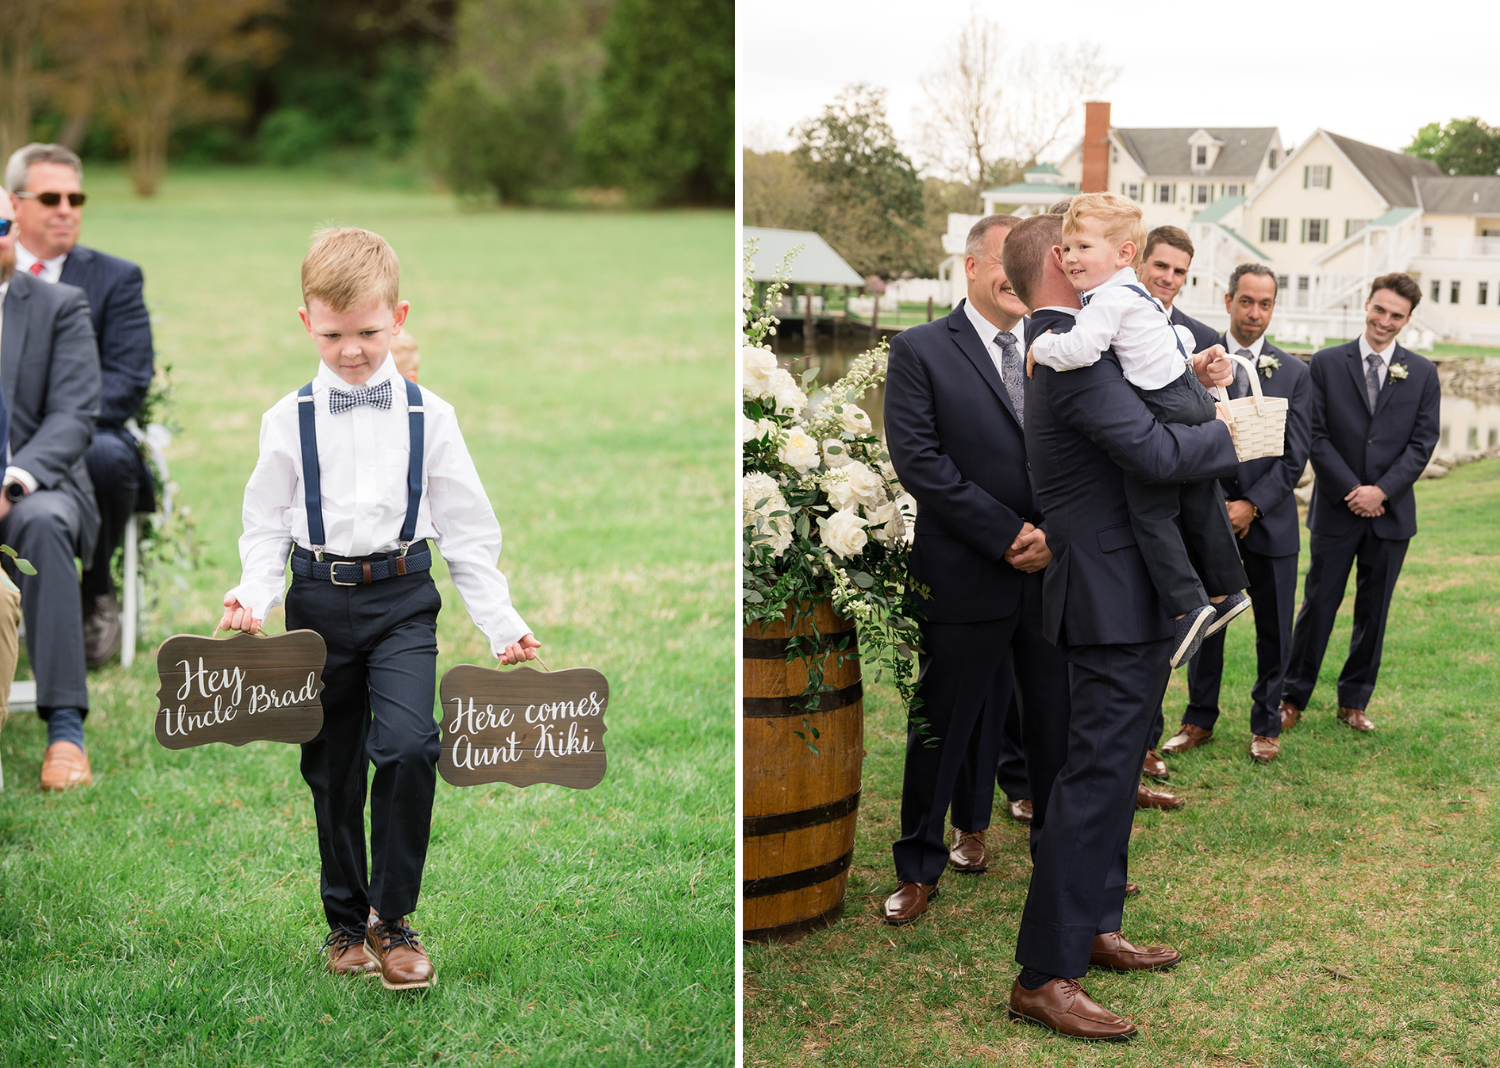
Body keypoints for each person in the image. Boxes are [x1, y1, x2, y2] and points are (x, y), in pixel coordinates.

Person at [218, 227, 541, 988]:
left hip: (402, 600)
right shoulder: (285, 419)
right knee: (331, 767)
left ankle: (392, 920)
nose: (352, 349)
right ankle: (343, 925)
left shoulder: (433, 416)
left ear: (398, 317)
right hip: (318, 600)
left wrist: (502, 622)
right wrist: (253, 593)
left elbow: (468, 529)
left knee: (407, 747)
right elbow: (265, 522)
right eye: (333, 335)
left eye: (368, 331)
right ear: (306, 324)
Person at [1001, 211, 1239, 1040]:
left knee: (1109, 774)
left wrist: (1199, 384)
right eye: (1076, 256)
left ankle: (1096, 926)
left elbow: (1159, 407)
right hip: (1104, 595)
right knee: (1093, 782)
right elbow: (1157, 453)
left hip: (1126, 591)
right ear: (1060, 273)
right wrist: (1233, 431)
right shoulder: (1068, 353)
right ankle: (1045, 974)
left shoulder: (1092, 341)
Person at [879, 214, 1070, 924]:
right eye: (1006, 262)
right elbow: (921, 462)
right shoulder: (921, 350)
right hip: (965, 570)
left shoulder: (1060, 347)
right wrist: (1006, 532)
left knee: (1056, 726)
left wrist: (1052, 533)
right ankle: (919, 866)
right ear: (970, 266)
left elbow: (1084, 456)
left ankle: (1061, 861)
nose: (1020, 278)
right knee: (942, 725)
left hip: (1051, 573)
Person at [1029, 193, 1249, 670]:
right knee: (1197, 495)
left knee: (1151, 509)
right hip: (1185, 389)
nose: (1071, 258)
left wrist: (1044, 346)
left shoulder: (1105, 301)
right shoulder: (1138, 295)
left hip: (1169, 400)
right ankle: (1227, 588)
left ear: (1124, 254)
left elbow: (1084, 348)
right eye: (1067, 249)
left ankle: (1188, 605)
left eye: (1083, 247)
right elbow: (1170, 343)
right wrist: (1198, 368)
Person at [6, 143, 155, 668]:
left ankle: (94, 587)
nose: (66, 208)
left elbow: (129, 380)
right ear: (15, 204)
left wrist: (51, 431)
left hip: (88, 433)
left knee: (106, 456)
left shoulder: (115, 278)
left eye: (76, 196)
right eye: (50, 196)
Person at [1160, 265, 1310, 765]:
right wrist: (1221, 508)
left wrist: (1252, 505)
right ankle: (1198, 718)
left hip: (1271, 524)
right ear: (1228, 301)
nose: (1255, 312)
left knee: (1275, 629)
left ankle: (1266, 723)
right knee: (1209, 624)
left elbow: (1295, 454)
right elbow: (1189, 435)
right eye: (1246, 301)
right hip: (1209, 520)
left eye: (1265, 304)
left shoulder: (1294, 372)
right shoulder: (1198, 363)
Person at [1279, 274, 1439, 733]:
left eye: (1396, 316)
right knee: (1318, 605)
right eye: (1380, 310)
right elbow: (1315, 434)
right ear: (1366, 304)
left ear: (1407, 320)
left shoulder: (1423, 372)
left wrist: (1382, 492)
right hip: (1336, 508)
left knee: (1375, 610)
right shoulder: (1327, 363)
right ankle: (1292, 696)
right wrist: (1354, 490)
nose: (1384, 321)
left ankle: (1354, 701)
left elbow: (1422, 442)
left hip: (1391, 515)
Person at [0, 192, 102, 791]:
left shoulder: (59, 306)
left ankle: (65, 730)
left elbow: (73, 416)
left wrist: (12, 481)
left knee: (42, 525)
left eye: (3, 226)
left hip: (36, 484)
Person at [1139, 225, 1219, 356]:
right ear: (1139, 264)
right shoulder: (1108, 317)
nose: (1168, 279)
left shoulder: (1204, 339)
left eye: (1178, 272)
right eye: (1161, 266)